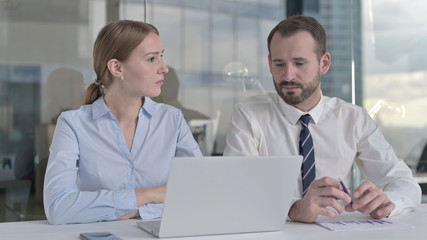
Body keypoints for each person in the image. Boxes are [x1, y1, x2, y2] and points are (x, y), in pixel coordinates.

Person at [223, 15, 421, 223]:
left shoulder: (353, 119)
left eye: (299, 63)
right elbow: (235, 190)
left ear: (324, 63)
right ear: (270, 64)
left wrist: (388, 202)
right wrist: (292, 208)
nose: (288, 75)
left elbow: (405, 183)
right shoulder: (249, 116)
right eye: (280, 64)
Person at [43, 20, 202, 224]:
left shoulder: (172, 119)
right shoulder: (73, 124)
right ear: (117, 68)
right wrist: (150, 195)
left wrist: (136, 212)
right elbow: (59, 207)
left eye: (161, 56)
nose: (164, 68)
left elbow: (200, 191)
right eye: (152, 59)